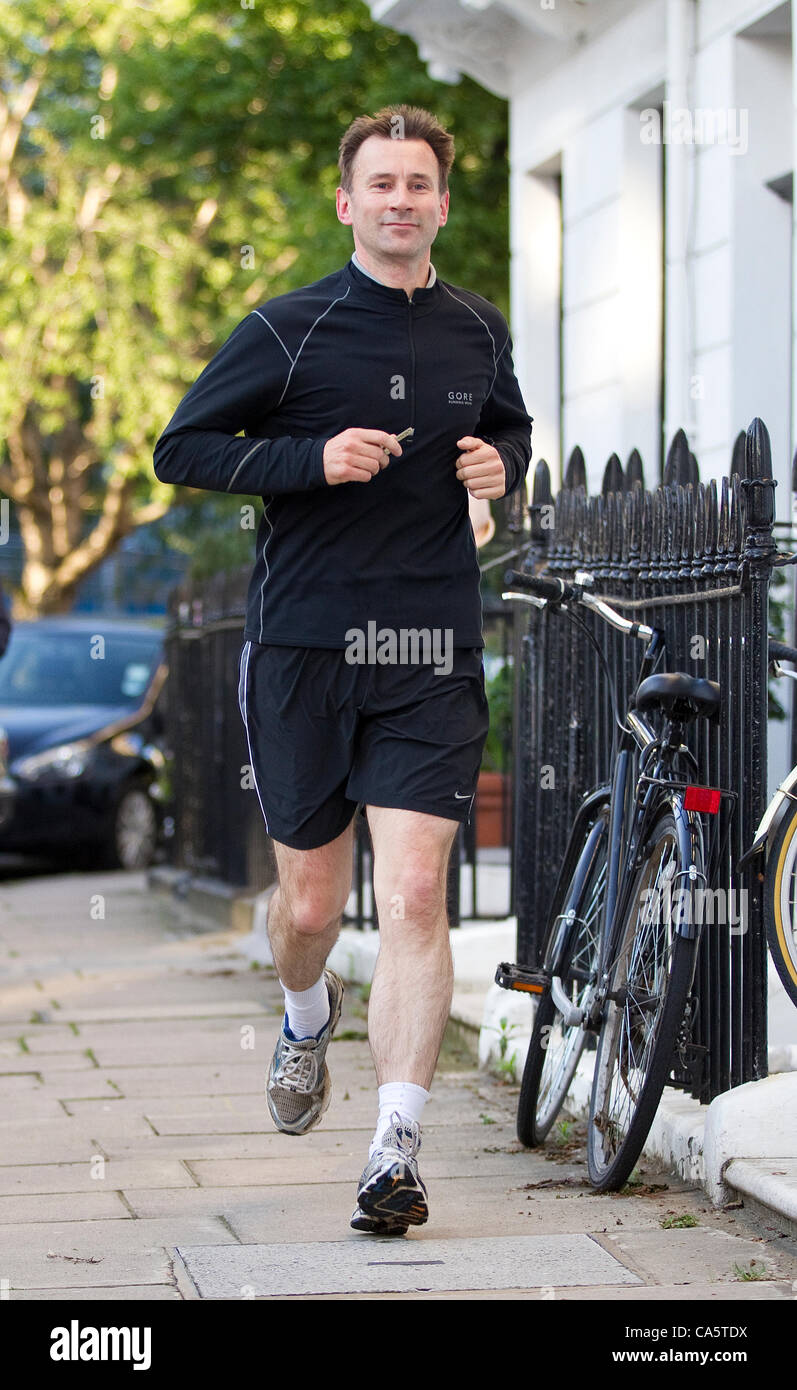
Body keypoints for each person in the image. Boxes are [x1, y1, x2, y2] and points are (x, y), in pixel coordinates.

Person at [153, 103, 533, 1236]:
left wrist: (500, 464)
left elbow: (510, 430)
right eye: (381, 183)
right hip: (304, 649)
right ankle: (304, 1009)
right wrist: (308, 460)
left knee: (413, 894)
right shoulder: (287, 328)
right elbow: (181, 447)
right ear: (346, 202)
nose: (400, 200)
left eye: (418, 184)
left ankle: (393, 1149)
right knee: (311, 904)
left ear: (441, 204)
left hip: (429, 648)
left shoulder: (478, 327)